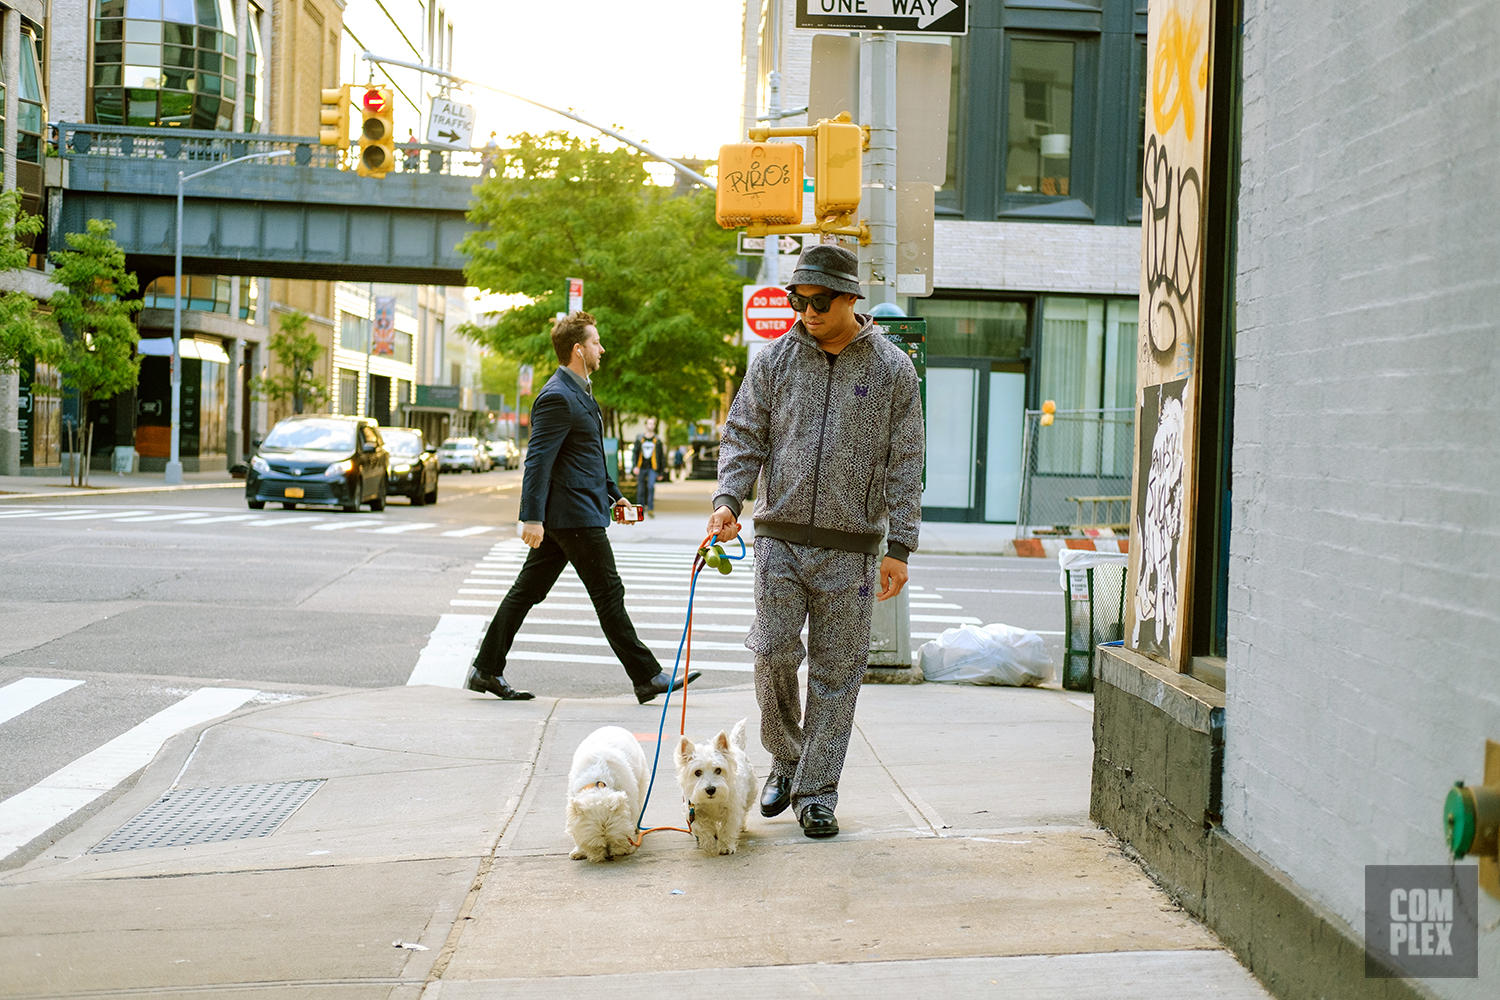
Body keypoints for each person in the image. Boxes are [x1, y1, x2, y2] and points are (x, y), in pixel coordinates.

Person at [706, 244, 924, 840]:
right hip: (779, 539)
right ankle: (787, 755)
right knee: (772, 650)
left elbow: (907, 462)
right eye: (795, 301)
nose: (805, 312)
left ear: (850, 298)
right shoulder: (774, 360)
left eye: (818, 302)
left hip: (853, 547)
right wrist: (728, 500)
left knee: (838, 672)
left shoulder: (892, 370)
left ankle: (818, 791)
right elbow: (744, 433)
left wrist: (899, 546)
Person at [467, 311, 700, 703]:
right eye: (595, 342)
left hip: (576, 512)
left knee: (526, 592)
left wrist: (614, 494)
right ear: (578, 349)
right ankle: (647, 676)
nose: (601, 349)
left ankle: (485, 669)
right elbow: (538, 460)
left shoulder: (580, 391)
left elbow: (585, 457)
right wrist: (531, 517)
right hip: (572, 516)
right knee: (609, 593)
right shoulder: (557, 396)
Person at [631, 418, 665, 518]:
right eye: (649, 423)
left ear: (654, 426)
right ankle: (639, 510)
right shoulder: (640, 439)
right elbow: (635, 453)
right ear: (646, 425)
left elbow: (662, 456)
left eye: (652, 424)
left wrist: (661, 472)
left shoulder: (657, 440)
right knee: (640, 489)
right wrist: (635, 467)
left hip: (652, 468)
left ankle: (650, 509)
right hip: (641, 467)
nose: (651, 425)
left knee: (650, 487)